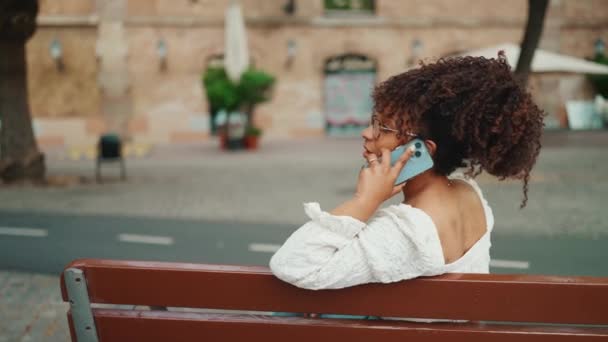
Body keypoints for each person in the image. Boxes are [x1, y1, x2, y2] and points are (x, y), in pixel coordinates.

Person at [269, 53, 544, 295]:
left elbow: (294, 265)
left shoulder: (410, 231)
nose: (367, 133)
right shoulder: (469, 192)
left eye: (384, 129)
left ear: (421, 150)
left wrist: (363, 202)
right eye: (374, 122)